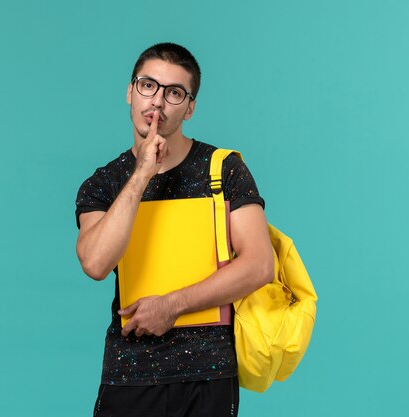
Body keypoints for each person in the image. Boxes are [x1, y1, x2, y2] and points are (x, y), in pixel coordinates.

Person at [75, 42, 274, 417]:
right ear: (130, 92)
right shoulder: (104, 183)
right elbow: (96, 263)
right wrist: (142, 174)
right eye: (148, 86)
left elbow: (260, 265)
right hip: (130, 374)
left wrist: (172, 305)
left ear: (190, 107)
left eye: (175, 93)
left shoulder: (224, 169)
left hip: (208, 376)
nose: (158, 102)